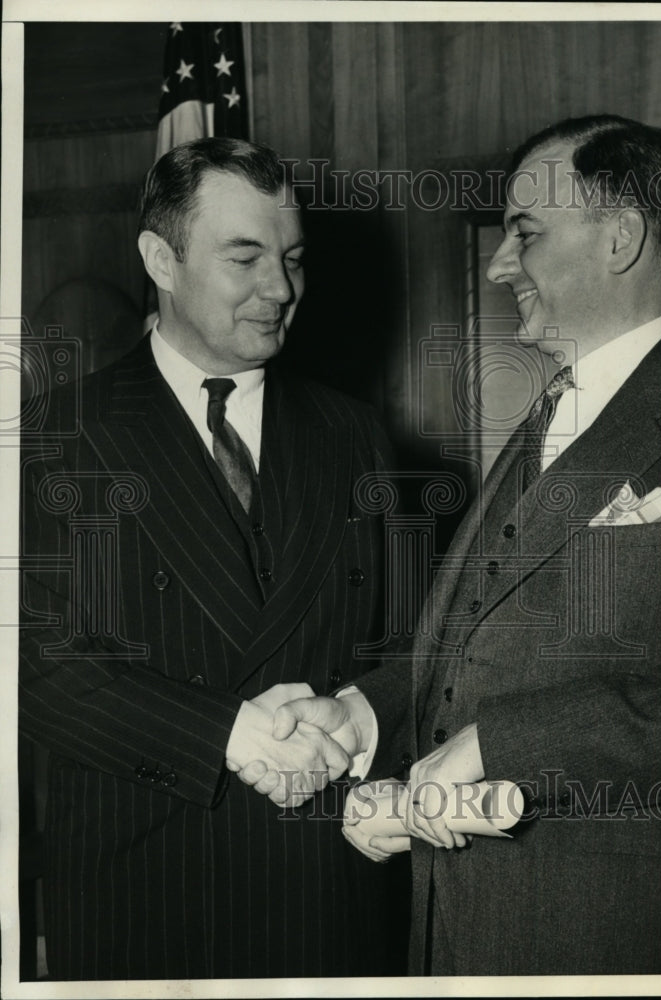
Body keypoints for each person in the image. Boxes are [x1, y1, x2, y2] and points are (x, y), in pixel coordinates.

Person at [270, 115, 661, 975]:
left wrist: (503, 749)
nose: (499, 263)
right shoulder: (545, 416)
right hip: (457, 926)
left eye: (524, 234)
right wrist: (363, 712)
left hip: (614, 941)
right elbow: (479, 645)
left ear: (621, 237)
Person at [19, 137, 408, 980]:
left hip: (325, 893)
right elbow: (32, 664)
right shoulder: (57, 435)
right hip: (146, 902)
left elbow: (415, 646)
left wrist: (356, 713)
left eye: (293, 259)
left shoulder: (354, 434)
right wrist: (230, 732)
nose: (280, 289)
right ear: (161, 257)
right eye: (246, 258)